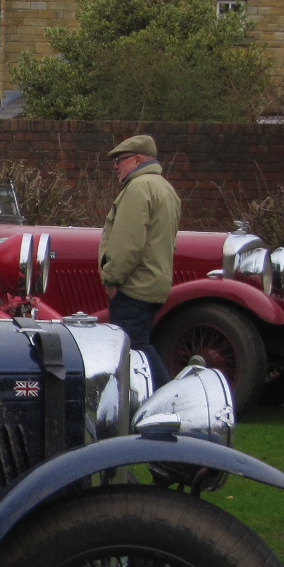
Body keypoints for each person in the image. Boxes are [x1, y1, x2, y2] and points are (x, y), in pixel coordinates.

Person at [99, 134, 180, 384]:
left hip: (134, 286)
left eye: (121, 160)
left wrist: (112, 279)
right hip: (152, 282)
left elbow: (128, 243)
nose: (116, 166)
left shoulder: (138, 188)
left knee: (134, 350)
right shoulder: (164, 188)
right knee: (137, 347)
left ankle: (168, 400)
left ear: (137, 159)